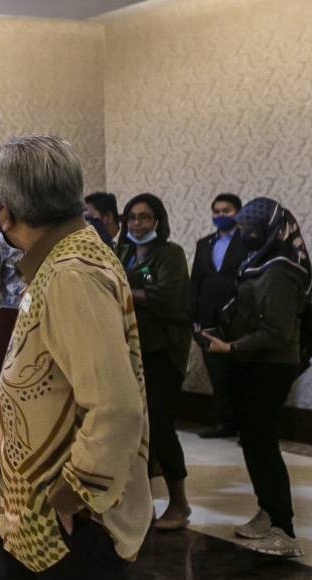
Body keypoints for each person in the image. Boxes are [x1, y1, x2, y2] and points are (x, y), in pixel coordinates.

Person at [0, 134, 151, 580]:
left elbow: (115, 405)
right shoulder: (61, 262)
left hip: (66, 517)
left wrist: (75, 497)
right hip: (32, 512)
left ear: (7, 212)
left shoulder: (71, 273)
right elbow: (52, 379)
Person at [202, 197, 311, 558]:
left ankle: (284, 529)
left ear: (271, 229)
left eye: (251, 229)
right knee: (252, 441)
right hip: (255, 363)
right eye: (242, 228)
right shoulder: (259, 261)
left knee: (263, 444)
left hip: (272, 365)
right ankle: (268, 512)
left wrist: (231, 348)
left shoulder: (280, 269)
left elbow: (276, 332)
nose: (244, 235)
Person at [116, 193, 193, 531]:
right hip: (130, 351)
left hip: (163, 351)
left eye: (145, 217)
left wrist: (128, 293)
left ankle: (179, 502)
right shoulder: (125, 252)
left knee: (161, 424)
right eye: (132, 217)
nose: (137, 223)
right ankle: (141, 503)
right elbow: (133, 284)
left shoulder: (170, 253)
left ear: (157, 221)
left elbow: (169, 297)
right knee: (135, 427)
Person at [191, 193, 248, 438]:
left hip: (238, 318)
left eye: (226, 211)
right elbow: (196, 282)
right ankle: (224, 423)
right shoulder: (204, 244)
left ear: (239, 213)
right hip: (208, 318)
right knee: (216, 373)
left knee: (241, 374)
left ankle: (246, 427)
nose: (221, 216)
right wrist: (193, 316)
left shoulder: (248, 241)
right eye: (216, 211)